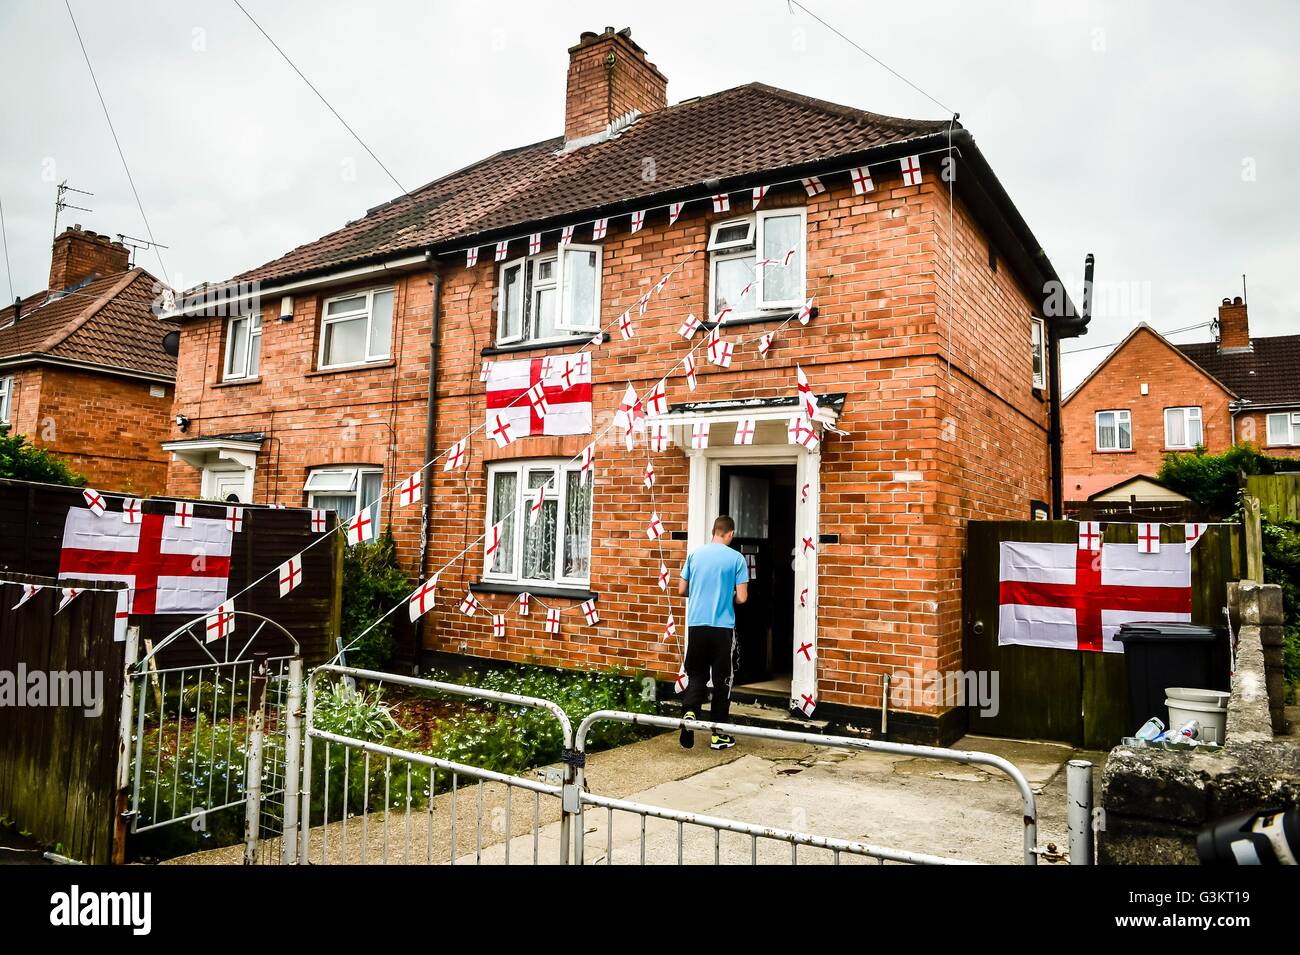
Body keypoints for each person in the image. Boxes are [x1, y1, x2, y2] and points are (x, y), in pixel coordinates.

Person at [677, 515, 749, 750]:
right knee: (722, 681)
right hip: (722, 628)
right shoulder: (736, 558)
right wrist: (727, 595)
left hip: (696, 625)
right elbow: (742, 597)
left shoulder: (695, 555)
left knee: (696, 674)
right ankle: (718, 736)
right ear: (730, 534)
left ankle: (689, 714)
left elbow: (681, 590)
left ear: (713, 531)